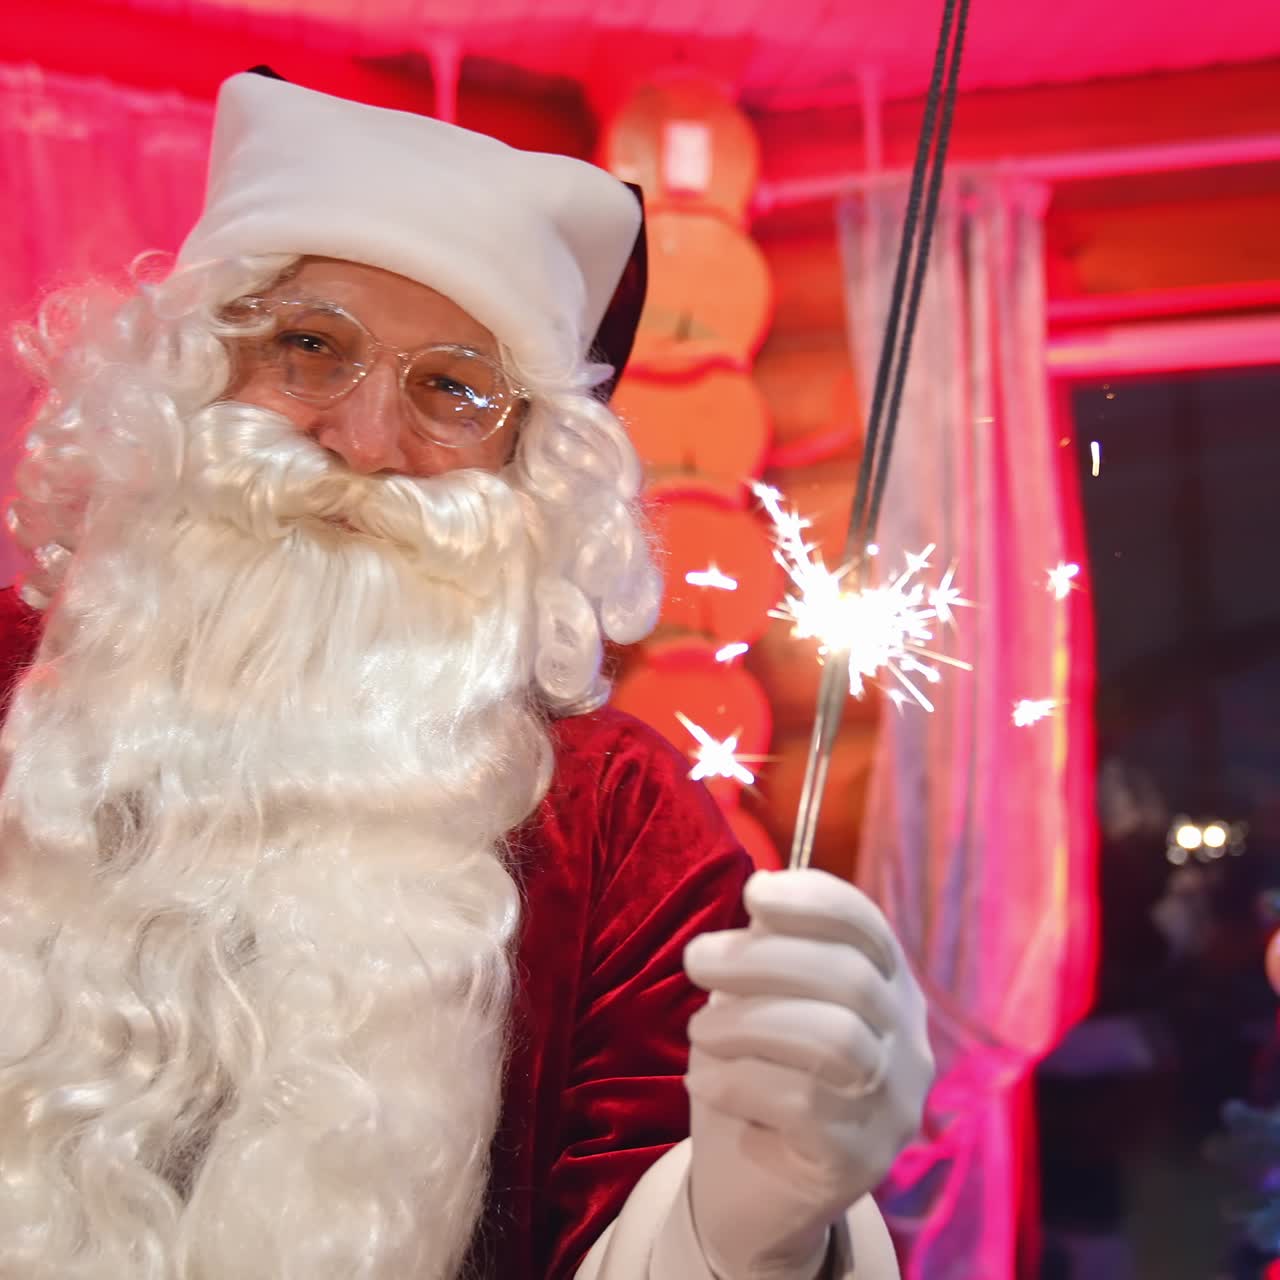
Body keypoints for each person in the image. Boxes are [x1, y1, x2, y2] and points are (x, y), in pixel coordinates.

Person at [0, 71, 933, 1280]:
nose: (365, 438)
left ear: (526, 462)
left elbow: (652, 1207)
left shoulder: (613, 819)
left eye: (449, 387)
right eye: (307, 346)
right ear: (192, 375)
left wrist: (752, 1221)